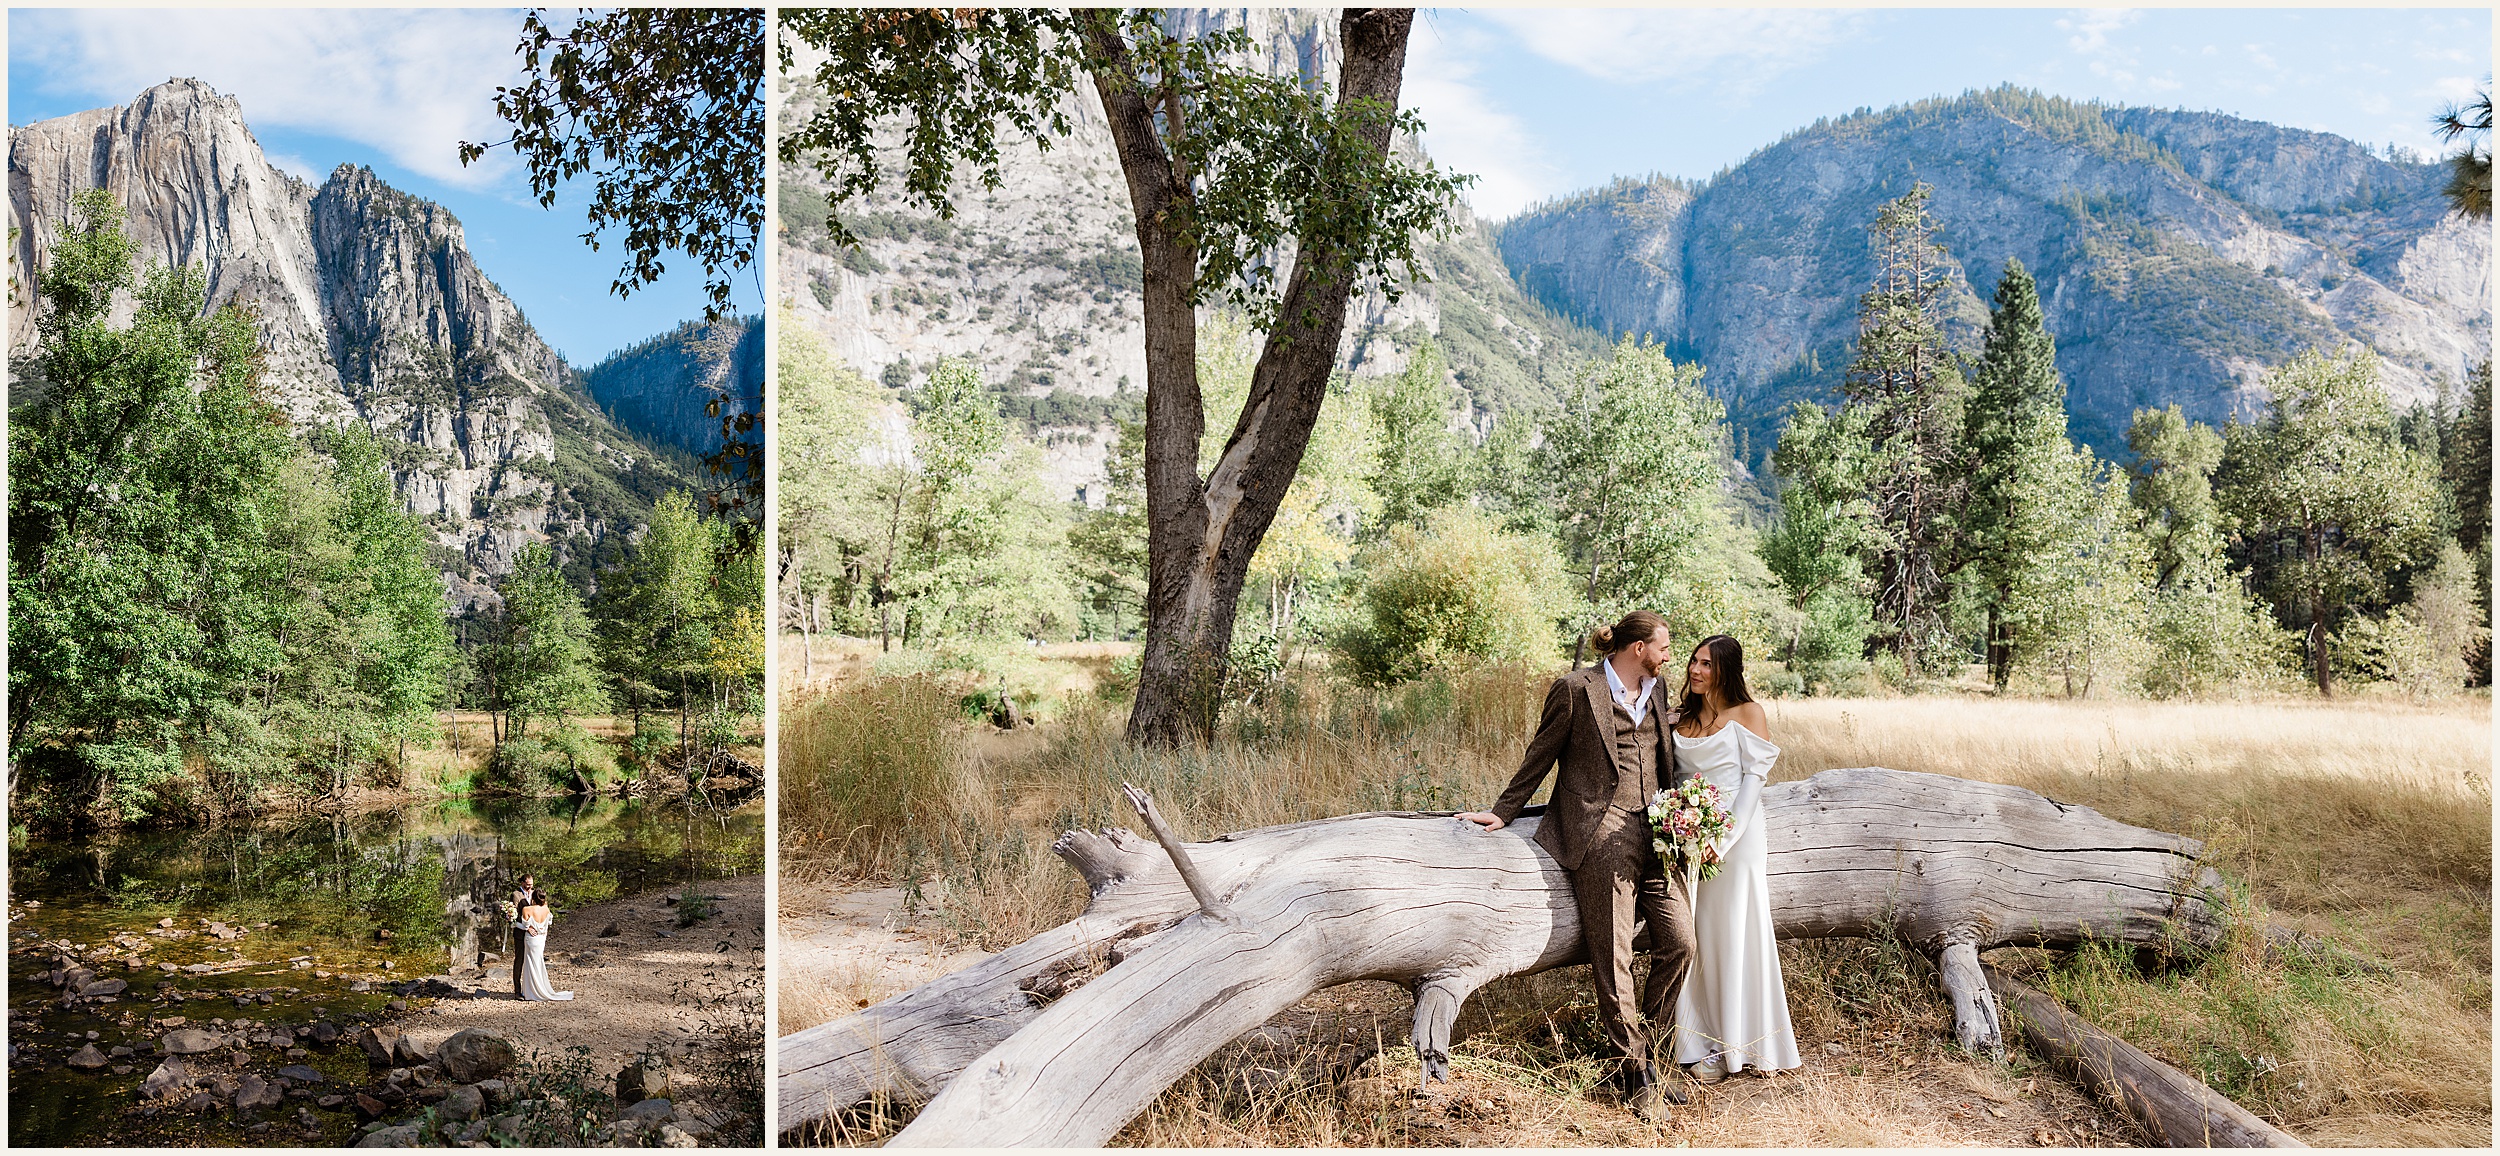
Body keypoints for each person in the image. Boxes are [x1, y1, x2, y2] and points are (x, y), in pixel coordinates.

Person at [1457, 610, 1694, 1122]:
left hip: (1658, 830)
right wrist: (1503, 812)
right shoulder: (1575, 688)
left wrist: (1682, 816)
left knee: (1681, 942)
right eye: (1664, 646)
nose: (1669, 653)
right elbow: (1540, 754)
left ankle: (1650, 1053)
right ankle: (1636, 1076)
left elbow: (1663, 759)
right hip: (1598, 831)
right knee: (1613, 956)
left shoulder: (1656, 687)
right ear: (1637, 649)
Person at [1668, 635, 1799, 1079]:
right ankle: (1699, 1040)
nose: (1695, 670)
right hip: (1687, 837)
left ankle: (1744, 1045)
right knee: (1695, 934)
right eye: (1693, 661)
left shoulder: (1749, 714)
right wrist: (1679, 829)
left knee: (1736, 931)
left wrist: (1718, 841)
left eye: (1706, 664)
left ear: (1726, 669)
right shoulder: (1680, 717)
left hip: (1736, 840)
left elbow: (1750, 788)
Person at [516, 889, 574, 1002]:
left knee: (530, 964)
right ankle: (535, 989)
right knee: (537, 963)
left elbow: (524, 925)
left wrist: (513, 922)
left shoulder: (526, 909)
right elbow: (548, 923)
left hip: (531, 939)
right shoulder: (546, 909)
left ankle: (531, 992)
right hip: (541, 939)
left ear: (533, 898)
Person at [510, 874, 536, 998]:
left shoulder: (535, 893)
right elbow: (514, 915)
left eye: (531, 885)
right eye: (528, 885)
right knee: (519, 960)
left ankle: (530, 990)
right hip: (520, 932)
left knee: (531, 961)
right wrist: (525, 926)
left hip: (533, 934)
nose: (530, 887)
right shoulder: (516, 895)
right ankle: (517, 991)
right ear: (522, 883)